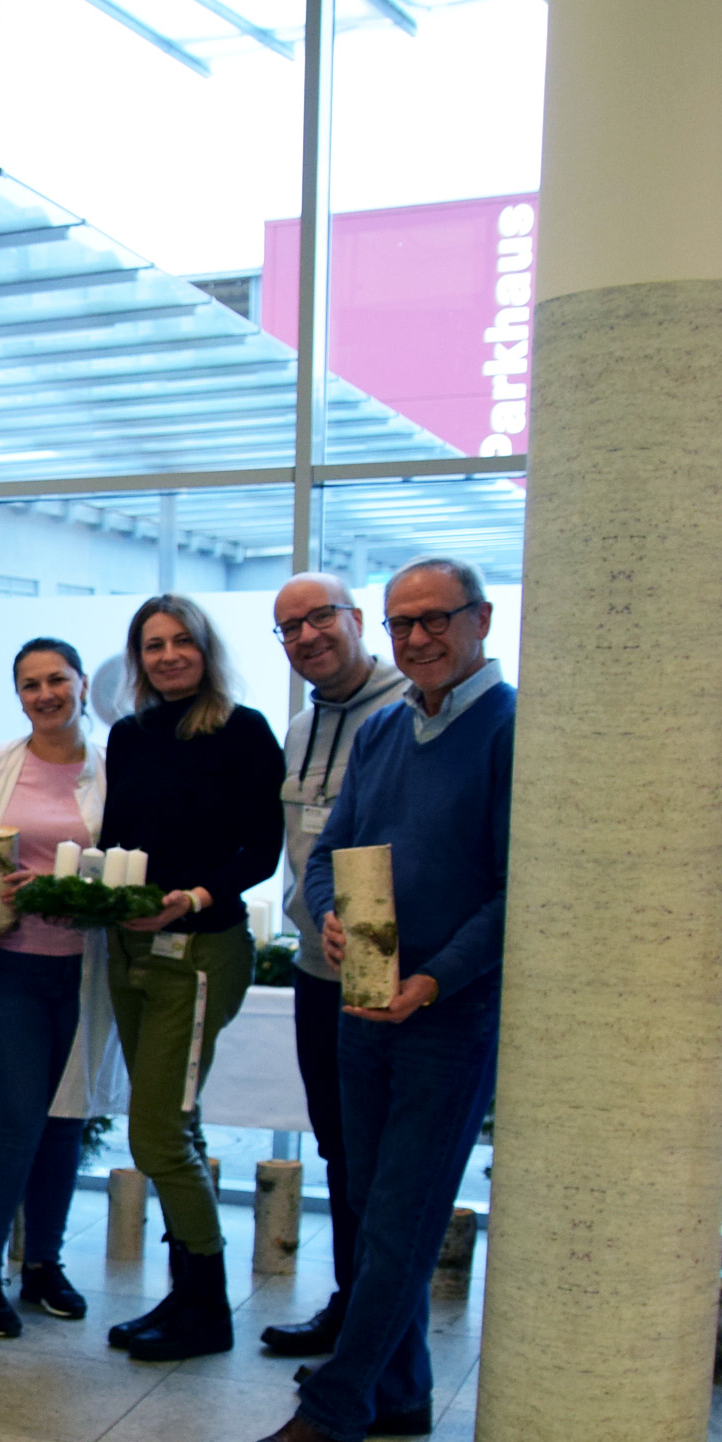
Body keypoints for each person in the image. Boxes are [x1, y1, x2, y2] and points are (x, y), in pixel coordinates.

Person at [243, 558, 512, 1442]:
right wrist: (324, 911)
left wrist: (435, 980)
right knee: (364, 1200)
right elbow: (328, 852)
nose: (418, 638)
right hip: (360, 999)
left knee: (402, 1214)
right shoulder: (388, 730)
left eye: (436, 619)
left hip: (447, 1019)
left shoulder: (513, 731)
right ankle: (400, 1390)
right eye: (405, 624)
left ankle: (337, 1406)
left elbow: (517, 890)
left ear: (480, 620)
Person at [96, 594, 286, 1361]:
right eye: (153, 645)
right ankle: (185, 1298)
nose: (169, 655)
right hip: (130, 949)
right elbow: (118, 842)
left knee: (155, 1130)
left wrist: (194, 897)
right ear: (138, 658)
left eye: (182, 641)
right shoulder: (129, 735)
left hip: (201, 950)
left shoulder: (244, 731)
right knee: (177, 1120)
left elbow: (261, 849)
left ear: (206, 650)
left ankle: (207, 1310)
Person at [0, 639, 127, 1337]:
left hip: (83, 970)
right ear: (18, 695)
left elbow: (128, 862)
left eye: (57, 680)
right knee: (15, 1123)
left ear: (81, 685)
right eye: (30, 684)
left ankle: (44, 1264)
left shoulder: (112, 769)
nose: (45, 694)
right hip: (10, 965)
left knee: (67, 1119)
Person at [259, 575, 408, 1360]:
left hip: (391, 974)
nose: (308, 636)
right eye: (290, 628)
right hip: (318, 970)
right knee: (338, 1146)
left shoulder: (408, 711)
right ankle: (351, 1308)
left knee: (383, 1160)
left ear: (357, 620)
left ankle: (377, 1329)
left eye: (321, 618)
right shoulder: (299, 729)